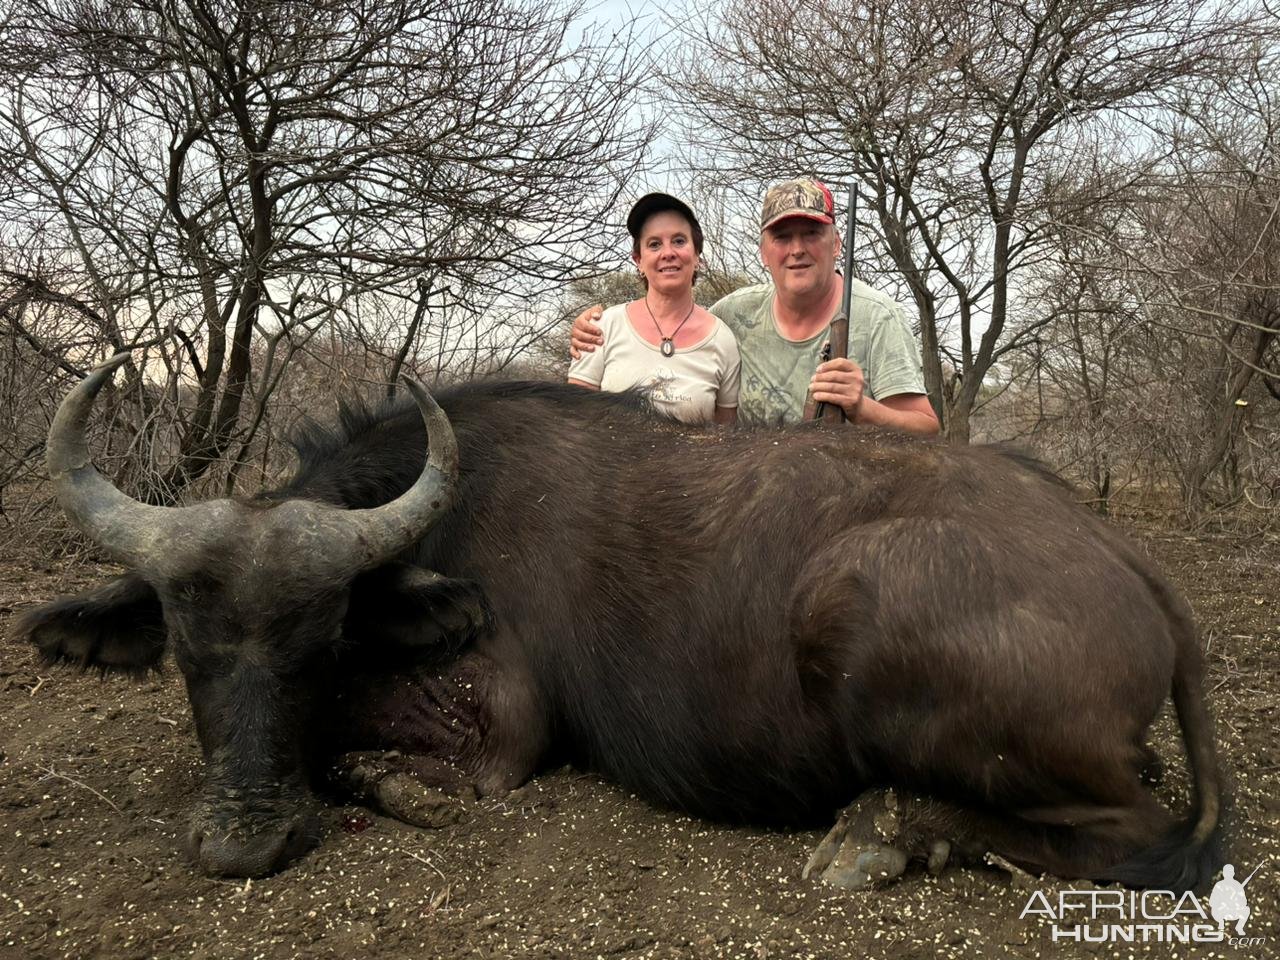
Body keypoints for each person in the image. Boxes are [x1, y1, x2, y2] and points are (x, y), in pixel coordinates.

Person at [572, 179, 939, 436]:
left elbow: (927, 429)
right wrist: (587, 328)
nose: (797, 249)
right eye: (782, 237)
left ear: (837, 244)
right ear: (764, 251)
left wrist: (863, 408)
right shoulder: (732, 315)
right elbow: (677, 335)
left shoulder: (878, 317)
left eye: (811, 234)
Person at [567, 193, 740, 425]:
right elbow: (574, 421)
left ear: (697, 255)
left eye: (679, 241)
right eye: (654, 244)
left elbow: (725, 437)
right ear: (638, 260)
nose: (668, 253)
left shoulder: (722, 340)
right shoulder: (602, 328)